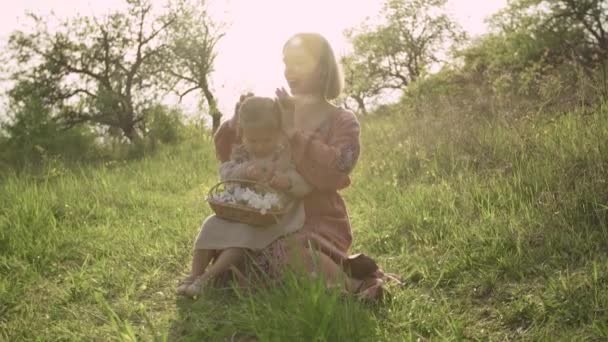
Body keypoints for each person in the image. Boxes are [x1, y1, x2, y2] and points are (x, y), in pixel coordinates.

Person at [188, 32, 391, 300]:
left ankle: (353, 287)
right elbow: (230, 153)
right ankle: (326, 280)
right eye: (286, 63)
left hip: (318, 216)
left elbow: (339, 168)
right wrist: (235, 122)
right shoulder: (273, 109)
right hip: (266, 214)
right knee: (232, 247)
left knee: (285, 252)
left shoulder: (343, 120)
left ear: (321, 68)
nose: (289, 71)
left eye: (298, 63)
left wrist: (294, 133)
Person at [176, 96, 313, 297]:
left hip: (274, 216)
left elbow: (303, 184)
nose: (259, 146)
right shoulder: (241, 155)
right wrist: (244, 171)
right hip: (240, 211)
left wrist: (286, 181)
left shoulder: (283, 155)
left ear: (278, 134)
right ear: (243, 135)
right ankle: (194, 274)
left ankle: (207, 278)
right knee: (210, 225)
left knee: (242, 238)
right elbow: (226, 174)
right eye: (253, 140)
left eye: (267, 140)